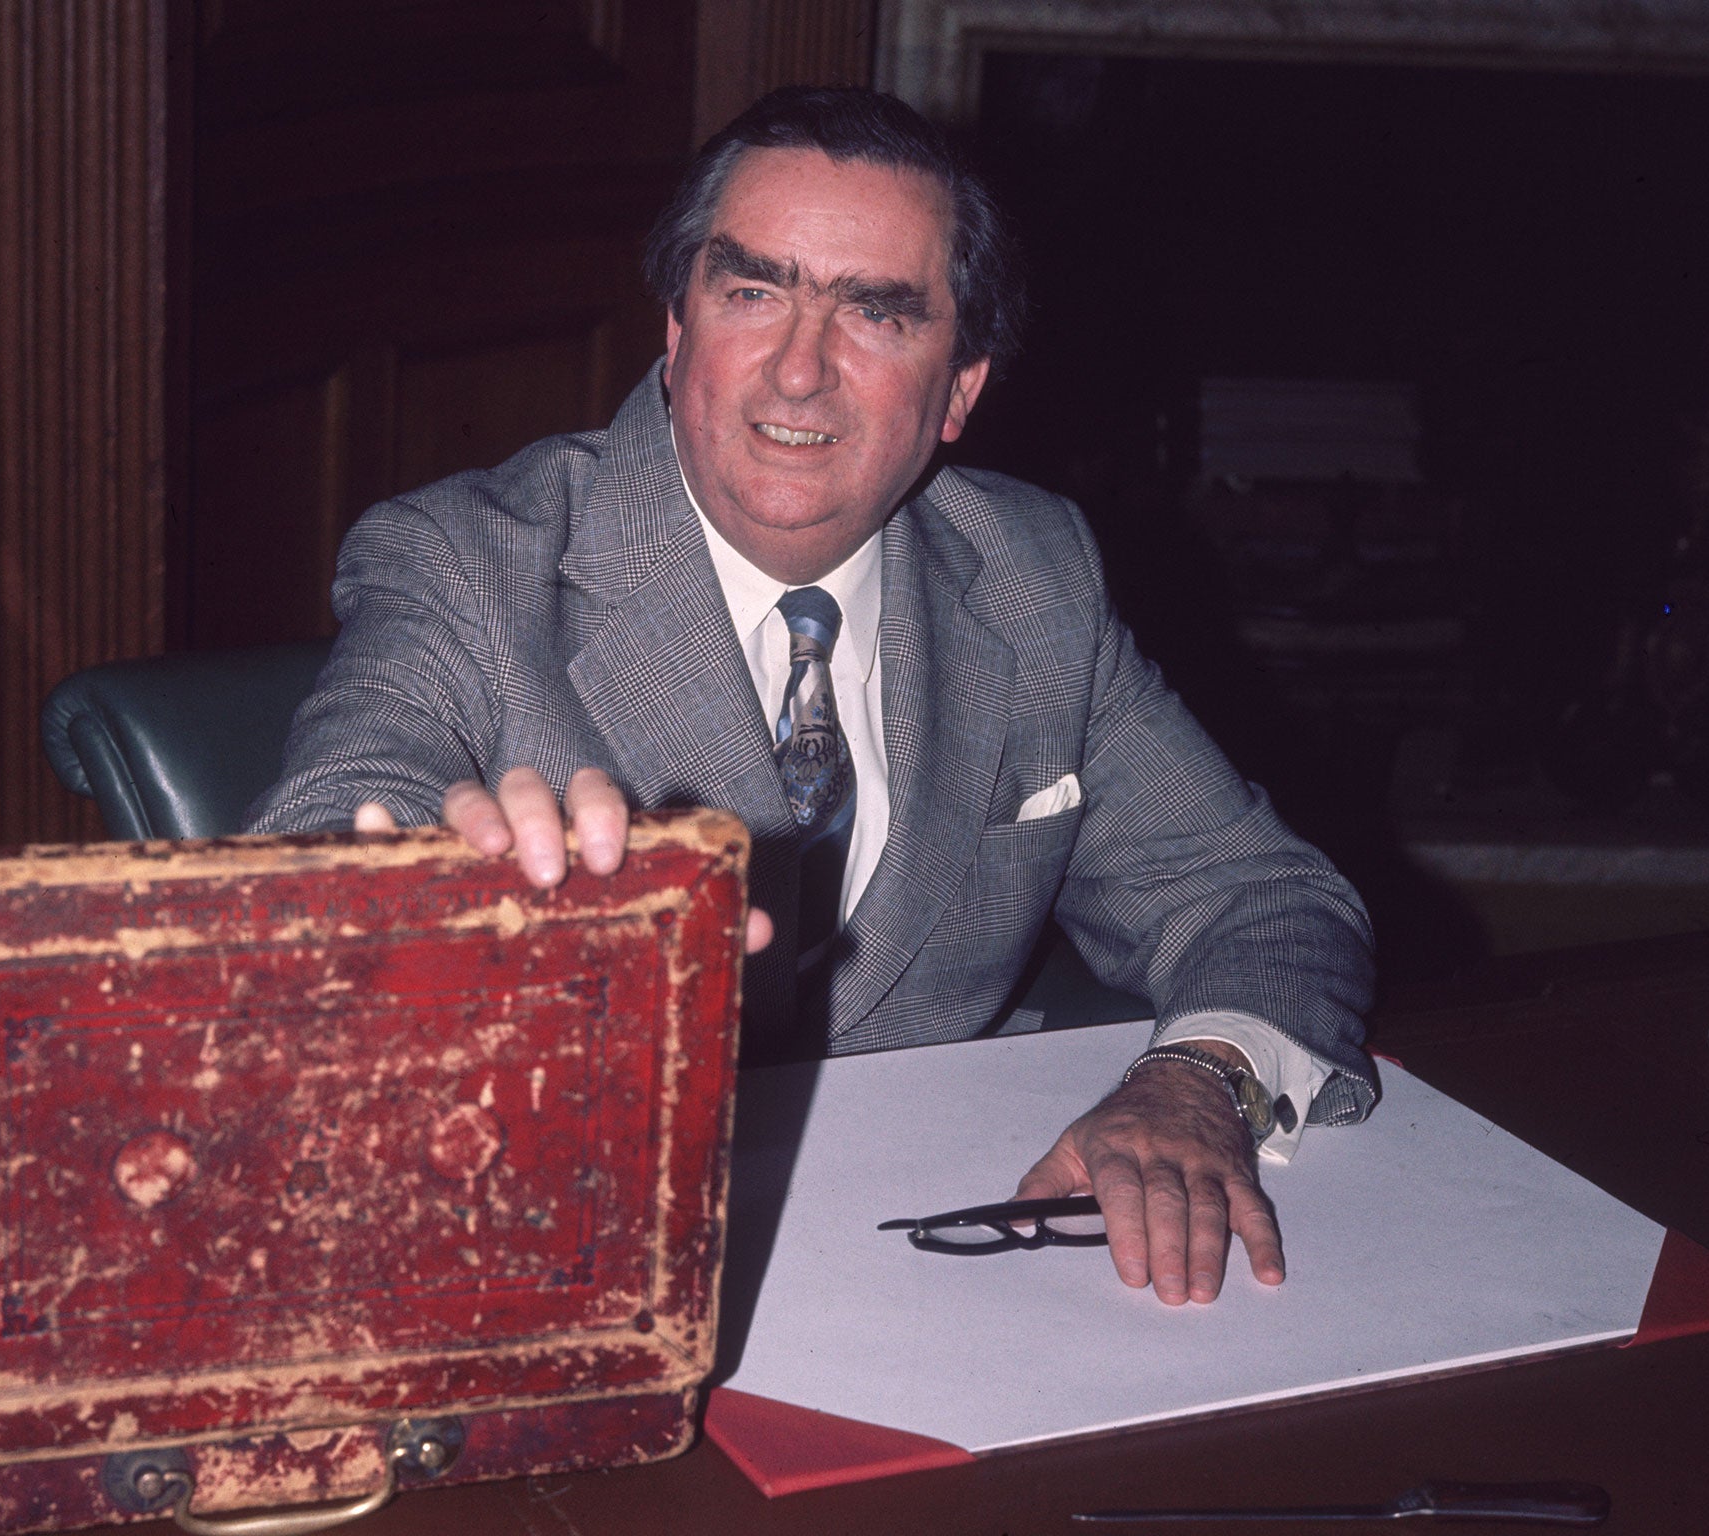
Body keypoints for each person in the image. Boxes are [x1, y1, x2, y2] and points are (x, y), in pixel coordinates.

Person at [249, 86, 1377, 1307]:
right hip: (556, 1252)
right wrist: (429, 933)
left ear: (957, 392)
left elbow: (1259, 896)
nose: (798, 372)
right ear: (675, 334)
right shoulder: (464, 563)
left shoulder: (1031, 574)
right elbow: (325, 837)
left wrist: (1195, 1079)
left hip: (952, 1266)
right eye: (751, 293)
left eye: (874, 317)